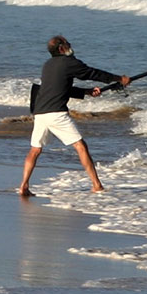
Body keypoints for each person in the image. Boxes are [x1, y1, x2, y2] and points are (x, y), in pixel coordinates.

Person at [18, 35, 130, 196]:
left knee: (35, 149)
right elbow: (92, 73)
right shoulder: (69, 62)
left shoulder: (48, 65)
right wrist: (120, 79)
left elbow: (60, 88)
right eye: (67, 43)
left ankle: (24, 186)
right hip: (56, 113)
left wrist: (86, 92)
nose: (71, 45)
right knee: (80, 146)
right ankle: (97, 185)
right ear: (61, 48)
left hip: (40, 112)